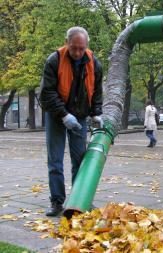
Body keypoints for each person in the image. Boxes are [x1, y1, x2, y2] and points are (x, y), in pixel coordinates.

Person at [39, 27, 103, 216]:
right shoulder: (54, 60)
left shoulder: (94, 63)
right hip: (56, 115)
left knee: (80, 160)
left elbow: (97, 91)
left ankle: (79, 200)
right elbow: (47, 93)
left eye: (81, 49)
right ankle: (57, 202)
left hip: (80, 116)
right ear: (67, 43)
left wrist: (96, 113)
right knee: (55, 161)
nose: (77, 52)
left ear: (86, 46)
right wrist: (64, 115)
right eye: (74, 48)